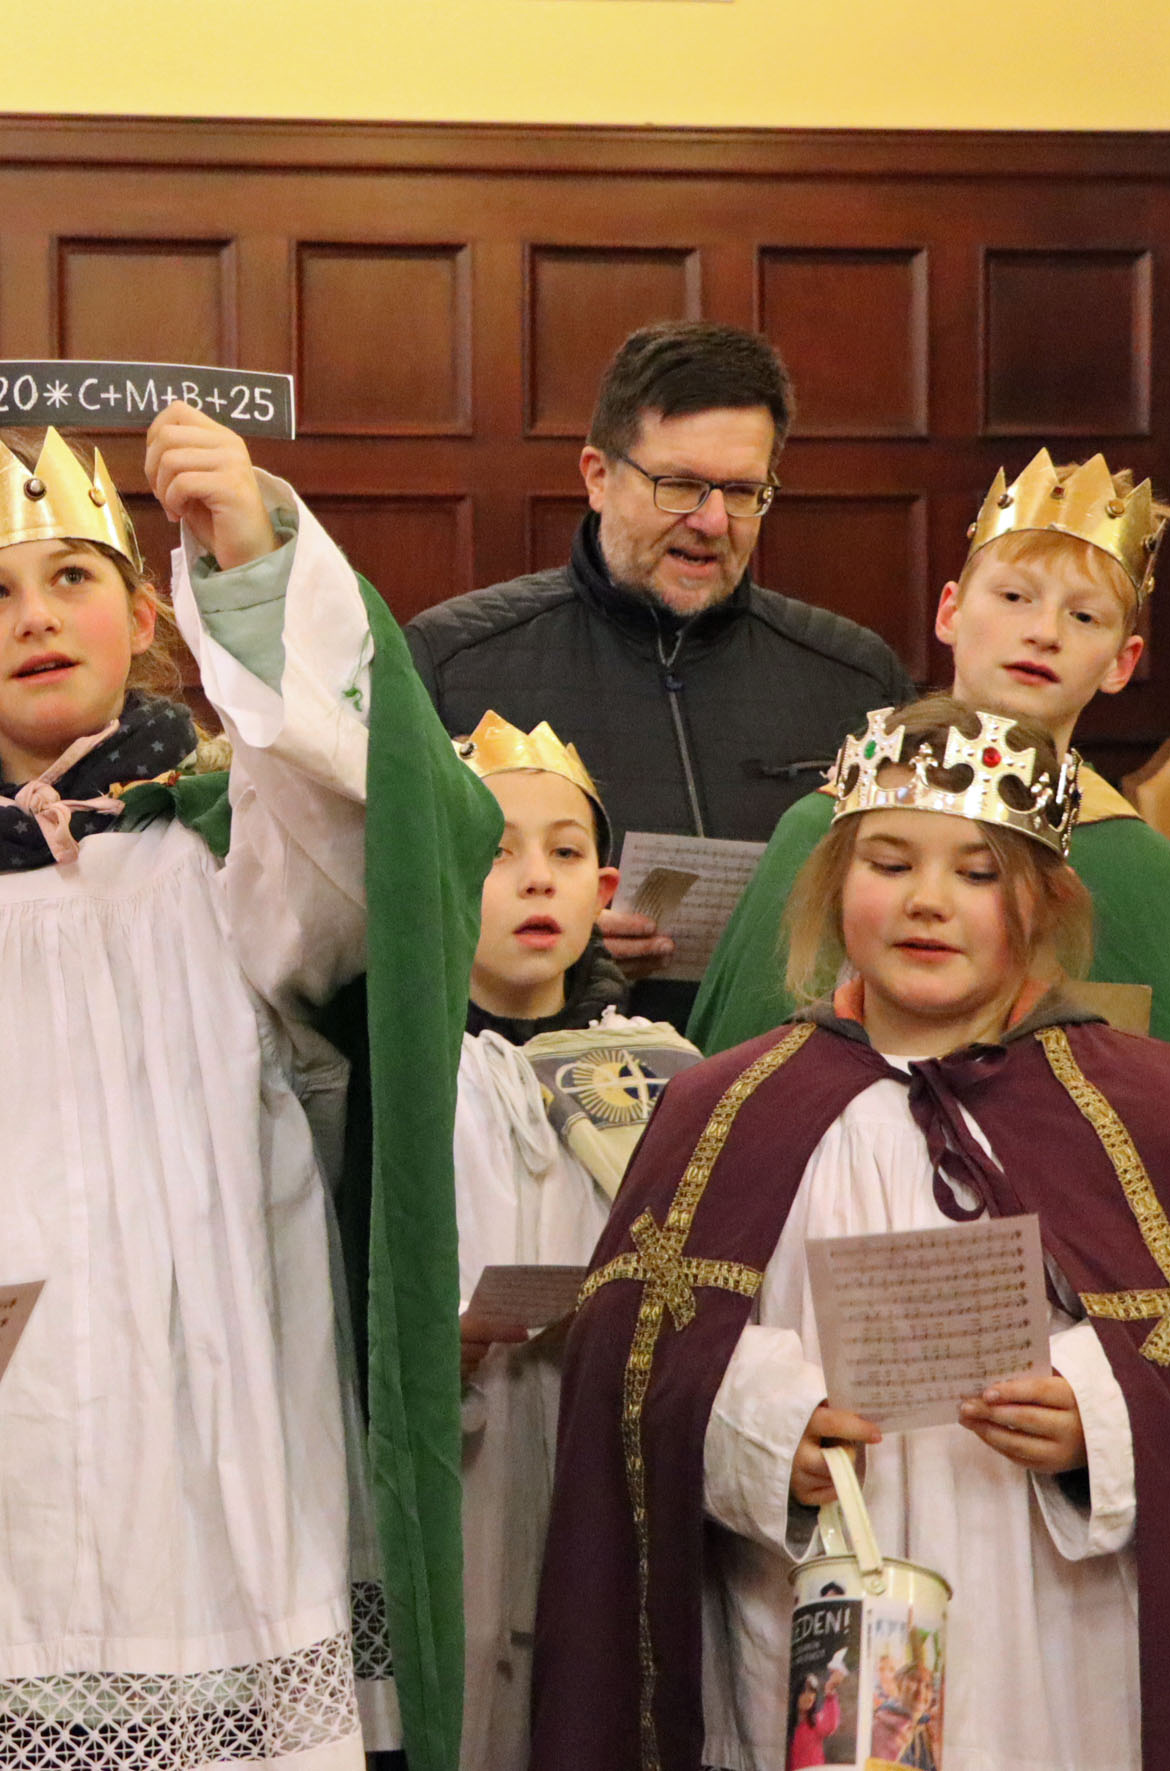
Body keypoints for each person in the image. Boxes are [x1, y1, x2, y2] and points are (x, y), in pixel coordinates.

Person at [0, 406, 499, 1771]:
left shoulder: (232, 856)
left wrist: (250, 564)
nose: (34, 615)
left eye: (73, 577)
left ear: (144, 613)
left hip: (218, 1447)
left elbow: (383, 826)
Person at [534, 694, 1170, 1769]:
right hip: (804, 1613)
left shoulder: (1161, 1113)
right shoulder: (724, 1110)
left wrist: (1097, 1421)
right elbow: (631, 1365)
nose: (929, 902)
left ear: (1044, 902)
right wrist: (762, 1427)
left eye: (977, 873)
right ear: (830, 888)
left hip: (1056, 1641)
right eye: (887, 863)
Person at [404, 320, 914, 993]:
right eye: (678, 485)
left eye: (740, 492)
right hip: (549, 1078)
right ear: (597, 477)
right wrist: (561, 943)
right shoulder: (452, 662)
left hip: (794, 1072)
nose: (710, 521)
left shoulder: (855, 675)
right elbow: (390, 913)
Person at [690, 452, 1170, 1077]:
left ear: (1122, 660)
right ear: (950, 611)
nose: (1043, 631)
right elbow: (743, 1087)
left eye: (1084, 616)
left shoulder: (1144, 872)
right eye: (1014, 596)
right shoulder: (831, 826)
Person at [447, 712, 697, 1771]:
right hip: (458, 1444)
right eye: (495, 854)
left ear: (603, 893)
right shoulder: (399, 1073)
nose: (534, 880)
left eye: (563, 854)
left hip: (598, 1443)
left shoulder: (665, 1073)